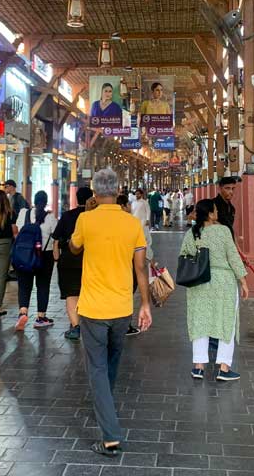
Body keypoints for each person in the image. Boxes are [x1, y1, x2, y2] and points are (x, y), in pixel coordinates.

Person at [69, 169, 152, 456]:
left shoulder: (85, 219)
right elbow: (141, 267)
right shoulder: (132, 224)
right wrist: (145, 304)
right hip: (121, 309)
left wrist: (86, 223)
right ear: (118, 191)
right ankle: (106, 406)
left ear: (94, 191)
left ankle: (110, 435)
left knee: (97, 368)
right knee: (111, 362)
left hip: (92, 308)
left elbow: (73, 247)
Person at [179, 198, 249, 381]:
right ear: (210, 214)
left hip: (199, 282)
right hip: (223, 282)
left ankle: (199, 367)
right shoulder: (223, 231)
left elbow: (183, 257)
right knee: (226, 321)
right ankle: (224, 368)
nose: (217, 213)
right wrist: (243, 281)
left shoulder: (192, 233)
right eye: (215, 210)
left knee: (200, 322)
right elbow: (233, 257)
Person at [53, 186, 94, 341]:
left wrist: (56, 255)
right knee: (88, 293)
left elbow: (56, 238)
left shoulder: (67, 216)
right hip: (90, 261)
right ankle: (89, 326)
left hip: (68, 261)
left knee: (71, 294)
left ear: (76, 199)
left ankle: (76, 327)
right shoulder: (94, 217)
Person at [14, 190, 59, 331]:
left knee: (24, 285)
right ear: (46, 202)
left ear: (33, 200)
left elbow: (17, 230)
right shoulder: (50, 217)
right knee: (43, 285)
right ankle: (41, 317)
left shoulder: (23, 213)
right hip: (44, 255)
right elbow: (56, 236)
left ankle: (23, 312)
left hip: (25, 254)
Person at [117, 193, 153, 336]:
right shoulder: (134, 224)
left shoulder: (103, 223)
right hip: (130, 265)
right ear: (124, 206)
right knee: (127, 294)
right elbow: (146, 246)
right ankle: (124, 325)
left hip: (114, 266)